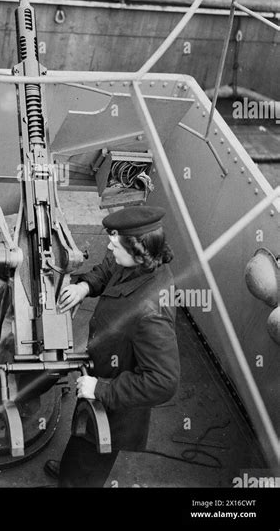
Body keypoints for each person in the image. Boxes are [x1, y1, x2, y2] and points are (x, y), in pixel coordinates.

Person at [45, 205, 180, 487]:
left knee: (92, 454)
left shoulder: (151, 312)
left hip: (117, 402)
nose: (108, 244)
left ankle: (75, 481)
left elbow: (163, 381)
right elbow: (110, 267)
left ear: (138, 250)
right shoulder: (140, 261)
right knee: (83, 439)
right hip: (102, 369)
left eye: (115, 243)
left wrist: (100, 388)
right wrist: (85, 286)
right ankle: (71, 469)